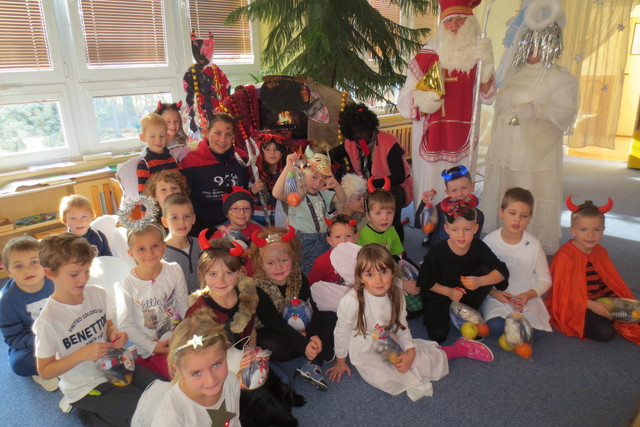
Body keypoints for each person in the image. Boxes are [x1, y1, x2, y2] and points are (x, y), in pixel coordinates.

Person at [326, 244, 493, 401]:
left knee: (419, 361)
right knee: (388, 380)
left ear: (393, 272)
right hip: (364, 346)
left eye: (383, 272)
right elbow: (341, 331)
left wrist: (410, 352)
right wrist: (341, 361)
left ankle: (457, 349)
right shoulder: (352, 301)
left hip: (386, 336)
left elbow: (402, 326)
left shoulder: (397, 294)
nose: (378, 280)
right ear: (360, 277)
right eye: (370, 274)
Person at [481, 1, 579, 254]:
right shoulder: (514, 73)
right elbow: (499, 103)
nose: (533, 51)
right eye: (529, 44)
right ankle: (502, 237)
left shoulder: (560, 78)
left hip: (533, 150)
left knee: (528, 189)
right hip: (506, 145)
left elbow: (565, 113)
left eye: (539, 45)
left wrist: (535, 111)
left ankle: (528, 242)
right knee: (505, 189)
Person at [33, 233, 160, 425]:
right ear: (50, 273)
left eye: (86, 270)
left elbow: (109, 326)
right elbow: (45, 371)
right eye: (74, 274)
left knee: (164, 391)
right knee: (146, 414)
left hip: (115, 366)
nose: (83, 279)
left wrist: (114, 334)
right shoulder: (48, 321)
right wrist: (81, 355)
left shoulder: (97, 294)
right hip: (85, 387)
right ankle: (87, 413)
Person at [397, 0, 496, 208]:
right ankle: (428, 220)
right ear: (442, 24)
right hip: (430, 135)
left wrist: (487, 65)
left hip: (463, 137)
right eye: (449, 20)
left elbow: (488, 97)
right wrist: (424, 100)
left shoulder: (478, 54)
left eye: (460, 19)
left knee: (461, 189)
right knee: (430, 189)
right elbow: (404, 100)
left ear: (470, 22)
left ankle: (461, 221)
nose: (454, 25)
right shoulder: (427, 55)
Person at [250, 226, 336, 390]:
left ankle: (313, 362)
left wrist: (313, 334)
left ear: (292, 257)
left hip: (298, 323)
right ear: (261, 263)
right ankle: (318, 351)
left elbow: (310, 306)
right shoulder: (257, 287)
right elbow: (274, 323)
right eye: (270, 263)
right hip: (273, 329)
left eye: (284, 260)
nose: (278, 267)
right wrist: (303, 344)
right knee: (271, 345)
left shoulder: (298, 276)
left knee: (331, 317)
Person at [545, 197, 640, 344]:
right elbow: (563, 292)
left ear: (603, 230)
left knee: (635, 311)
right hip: (577, 305)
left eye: (596, 229)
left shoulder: (600, 251)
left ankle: (610, 315)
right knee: (606, 333)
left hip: (600, 299)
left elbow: (608, 281)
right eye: (583, 229)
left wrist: (616, 300)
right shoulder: (565, 256)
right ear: (572, 231)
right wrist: (591, 305)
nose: (590, 235)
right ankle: (607, 318)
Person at [417, 201, 509, 343]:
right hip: (440, 294)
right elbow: (424, 281)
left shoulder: (478, 246)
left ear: (475, 229)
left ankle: (463, 312)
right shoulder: (437, 252)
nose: (461, 235)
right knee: (438, 335)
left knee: (486, 270)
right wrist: (449, 292)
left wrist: (481, 282)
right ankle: (451, 313)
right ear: (446, 229)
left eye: (467, 229)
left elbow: (502, 270)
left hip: (465, 294)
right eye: (455, 229)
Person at [115, 223, 189, 379]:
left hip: (178, 338)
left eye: (155, 246)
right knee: (181, 375)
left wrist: (182, 335)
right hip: (151, 347)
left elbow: (183, 306)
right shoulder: (126, 285)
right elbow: (125, 325)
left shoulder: (174, 270)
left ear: (164, 246)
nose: (149, 253)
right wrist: (153, 347)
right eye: (141, 249)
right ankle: (145, 363)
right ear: (131, 253)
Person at [338, 103, 413, 241]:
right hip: (367, 187)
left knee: (390, 199)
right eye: (354, 132)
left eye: (361, 130)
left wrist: (370, 184)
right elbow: (334, 155)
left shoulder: (388, 142)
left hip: (395, 187)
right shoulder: (351, 143)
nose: (358, 135)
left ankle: (397, 242)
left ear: (369, 126)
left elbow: (399, 177)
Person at [481, 188, 552, 336]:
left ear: (530, 218)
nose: (517, 220)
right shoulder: (489, 242)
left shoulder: (534, 245)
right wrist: (493, 293)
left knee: (534, 329)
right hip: (497, 296)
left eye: (524, 216)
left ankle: (524, 331)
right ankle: (518, 332)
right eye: (512, 213)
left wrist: (528, 295)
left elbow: (545, 280)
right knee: (496, 326)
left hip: (525, 297)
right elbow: (479, 275)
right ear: (501, 212)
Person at [151, 314, 241, 426]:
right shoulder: (170, 417)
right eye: (196, 373)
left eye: (217, 364)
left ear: (226, 354)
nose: (211, 380)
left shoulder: (231, 381)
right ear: (178, 370)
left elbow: (234, 422)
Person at [272, 151, 346, 275]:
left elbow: (342, 198)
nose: (317, 184)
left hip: (323, 239)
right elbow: (276, 193)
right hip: (304, 241)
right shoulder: (296, 194)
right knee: (305, 274)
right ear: (303, 174)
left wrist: (336, 185)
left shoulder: (322, 194)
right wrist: (288, 166)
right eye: (314, 178)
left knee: (322, 273)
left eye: (322, 180)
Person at [0, 236, 57, 390]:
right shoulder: (6, 301)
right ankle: (48, 368)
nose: (28, 270)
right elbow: (14, 338)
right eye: (19, 266)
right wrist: (43, 341)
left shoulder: (54, 281)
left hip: (60, 332)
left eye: (34, 262)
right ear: (9, 272)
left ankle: (55, 365)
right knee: (19, 363)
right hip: (31, 343)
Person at [180, 113, 250, 235]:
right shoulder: (190, 162)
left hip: (239, 224)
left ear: (233, 136)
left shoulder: (242, 157)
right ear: (207, 133)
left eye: (228, 134)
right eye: (217, 133)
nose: (223, 140)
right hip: (204, 228)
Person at [186, 236, 258, 349]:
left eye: (228, 273)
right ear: (202, 274)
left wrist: (252, 353)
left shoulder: (246, 299)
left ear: (240, 272)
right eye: (213, 274)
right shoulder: (197, 313)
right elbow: (197, 351)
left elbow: (251, 332)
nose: (221, 281)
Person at [422, 165, 484, 247]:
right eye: (454, 190)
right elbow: (420, 225)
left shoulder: (479, 215)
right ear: (447, 192)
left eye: (464, 188)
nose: (460, 194)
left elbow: (475, 242)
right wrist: (426, 203)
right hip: (438, 249)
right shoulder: (440, 208)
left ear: (472, 187)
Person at [161, 194, 201, 294]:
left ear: (193, 218)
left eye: (186, 216)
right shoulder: (161, 253)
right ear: (165, 222)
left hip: (203, 300)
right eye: (174, 217)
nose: (182, 222)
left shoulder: (200, 244)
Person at [307, 214, 358, 287]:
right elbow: (310, 286)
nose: (343, 241)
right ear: (330, 240)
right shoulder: (321, 263)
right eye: (337, 237)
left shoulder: (363, 258)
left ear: (355, 238)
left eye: (348, 236)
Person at [136, 113, 180, 194]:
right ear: (143, 137)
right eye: (152, 136)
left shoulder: (174, 160)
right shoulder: (144, 165)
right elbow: (143, 196)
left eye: (162, 136)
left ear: (167, 136)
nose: (158, 140)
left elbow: (183, 187)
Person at [253, 132, 288, 226]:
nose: (272, 152)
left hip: (282, 223)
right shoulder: (255, 176)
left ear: (281, 153)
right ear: (260, 152)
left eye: (276, 149)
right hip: (260, 225)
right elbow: (248, 203)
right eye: (267, 149)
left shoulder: (286, 176)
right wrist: (253, 192)